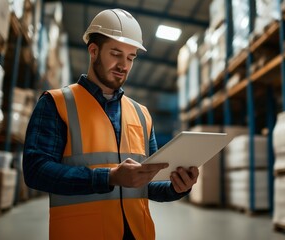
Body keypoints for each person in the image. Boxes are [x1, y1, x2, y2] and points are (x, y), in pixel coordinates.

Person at [23, 8, 199, 240]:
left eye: (130, 57)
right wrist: (108, 177)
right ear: (93, 51)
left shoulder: (141, 114)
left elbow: (149, 183)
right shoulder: (56, 103)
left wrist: (176, 187)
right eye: (116, 53)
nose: (123, 65)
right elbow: (36, 172)